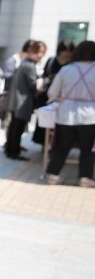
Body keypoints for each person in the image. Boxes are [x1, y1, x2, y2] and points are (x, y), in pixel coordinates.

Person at [45, 40, 95, 187]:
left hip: (65, 114)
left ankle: (53, 176)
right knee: (87, 149)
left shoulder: (66, 69)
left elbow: (52, 93)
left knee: (61, 147)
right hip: (90, 115)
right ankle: (85, 178)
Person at [4, 40, 47, 160]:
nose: (40, 55)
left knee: (14, 127)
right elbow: (33, 86)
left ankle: (10, 150)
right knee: (17, 128)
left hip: (16, 100)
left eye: (42, 52)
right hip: (22, 101)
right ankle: (14, 152)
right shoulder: (29, 65)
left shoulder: (24, 62)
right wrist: (42, 83)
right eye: (39, 52)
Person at [33, 39, 75, 146]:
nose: (67, 53)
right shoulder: (51, 61)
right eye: (65, 50)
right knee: (45, 123)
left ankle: (55, 145)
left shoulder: (73, 65)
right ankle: (44, 145)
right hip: (48, 97)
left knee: (59, 124)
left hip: (64, 98)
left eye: (70, 51)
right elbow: (44, 75)